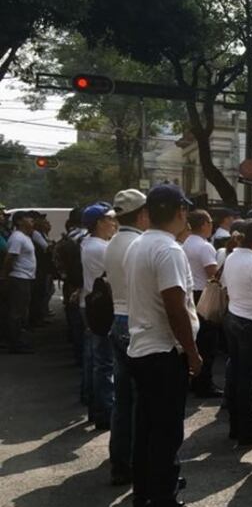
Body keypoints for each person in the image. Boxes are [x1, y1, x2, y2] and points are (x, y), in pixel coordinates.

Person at [123, 184, 208, 507]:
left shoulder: (138, 244)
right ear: (179, 211)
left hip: (142, 349)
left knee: (146, 434)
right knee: (165, 437)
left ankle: (144, 502)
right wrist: (191, 352)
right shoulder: (168, 249)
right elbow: (175, 305)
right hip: (162, 352)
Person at [104, 189, 149, 486]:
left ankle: (121, 462)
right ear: (142, 214)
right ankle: (139, 463)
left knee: (123, 399)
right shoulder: (138, 244)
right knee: (143, 401)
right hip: (136, 322)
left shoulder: (112, 243)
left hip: (118, 319)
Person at [222, 219, 252, 447]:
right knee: (247, 379)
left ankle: (235, 425)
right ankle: (248, 429)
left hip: (234, 316)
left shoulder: (231, 256)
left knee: (236, 372)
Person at [80, 202, 118, 430]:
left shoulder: (90, 243)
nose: (113, 223)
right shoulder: (101, 248)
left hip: (92, 304)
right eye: (109, 220)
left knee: (95, 359)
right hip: (102, 306)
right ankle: (104, 412)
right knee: (104, 363)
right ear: (98, 223)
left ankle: (95, 408)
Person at [181, 209, 222, 398]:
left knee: (195, 339)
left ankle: (193, 380)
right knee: (207, 343)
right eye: (210, 222)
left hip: (190, 294)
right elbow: (212, 273)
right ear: (204, 224)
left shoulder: (184, 243)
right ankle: (204, 384)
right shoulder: (204, 247)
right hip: (204, 295)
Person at [55, 207, 88, 367]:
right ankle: (83, 357)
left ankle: (78, 354)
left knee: (74, 320)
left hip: (70, 282)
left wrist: (64, 275)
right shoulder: (85, 237)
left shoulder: (67, 238)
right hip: (83, 283)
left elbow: (58, 261)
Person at [1, 211, 37, 353]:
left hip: (26, 277)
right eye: (29, 219)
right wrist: (5, 276)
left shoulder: (25, 237)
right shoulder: (17, 238)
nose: (32, 221)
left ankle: (20, 340)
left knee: (22, 311)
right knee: (17, 312)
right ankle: (15, 343)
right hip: (19, 278)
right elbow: (10, 258)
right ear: (20, 221)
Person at [29, 215, 53, 327]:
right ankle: (36, 319)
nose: (45, 222)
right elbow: (46, 247)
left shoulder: (41, 233)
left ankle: (40, 315)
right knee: (38, 294)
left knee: (43, 292)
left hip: (42, 267)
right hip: (39, 268)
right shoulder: (36, 234)